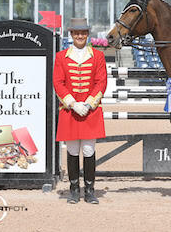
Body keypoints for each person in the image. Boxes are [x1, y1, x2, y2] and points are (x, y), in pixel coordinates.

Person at [53, 18, 107, 204]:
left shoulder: (98, 56)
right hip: (70, 111)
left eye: (83, 32)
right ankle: (74, 189)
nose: (80, 35)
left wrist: (89, 104)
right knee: (73, 150)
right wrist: (72, 103)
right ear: (71, 34)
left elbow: (101, 82)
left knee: (88, 149)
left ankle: (90, 190)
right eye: (76, 33)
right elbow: (58, 83)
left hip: (90, 111)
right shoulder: (61, 56)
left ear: (88, 34)